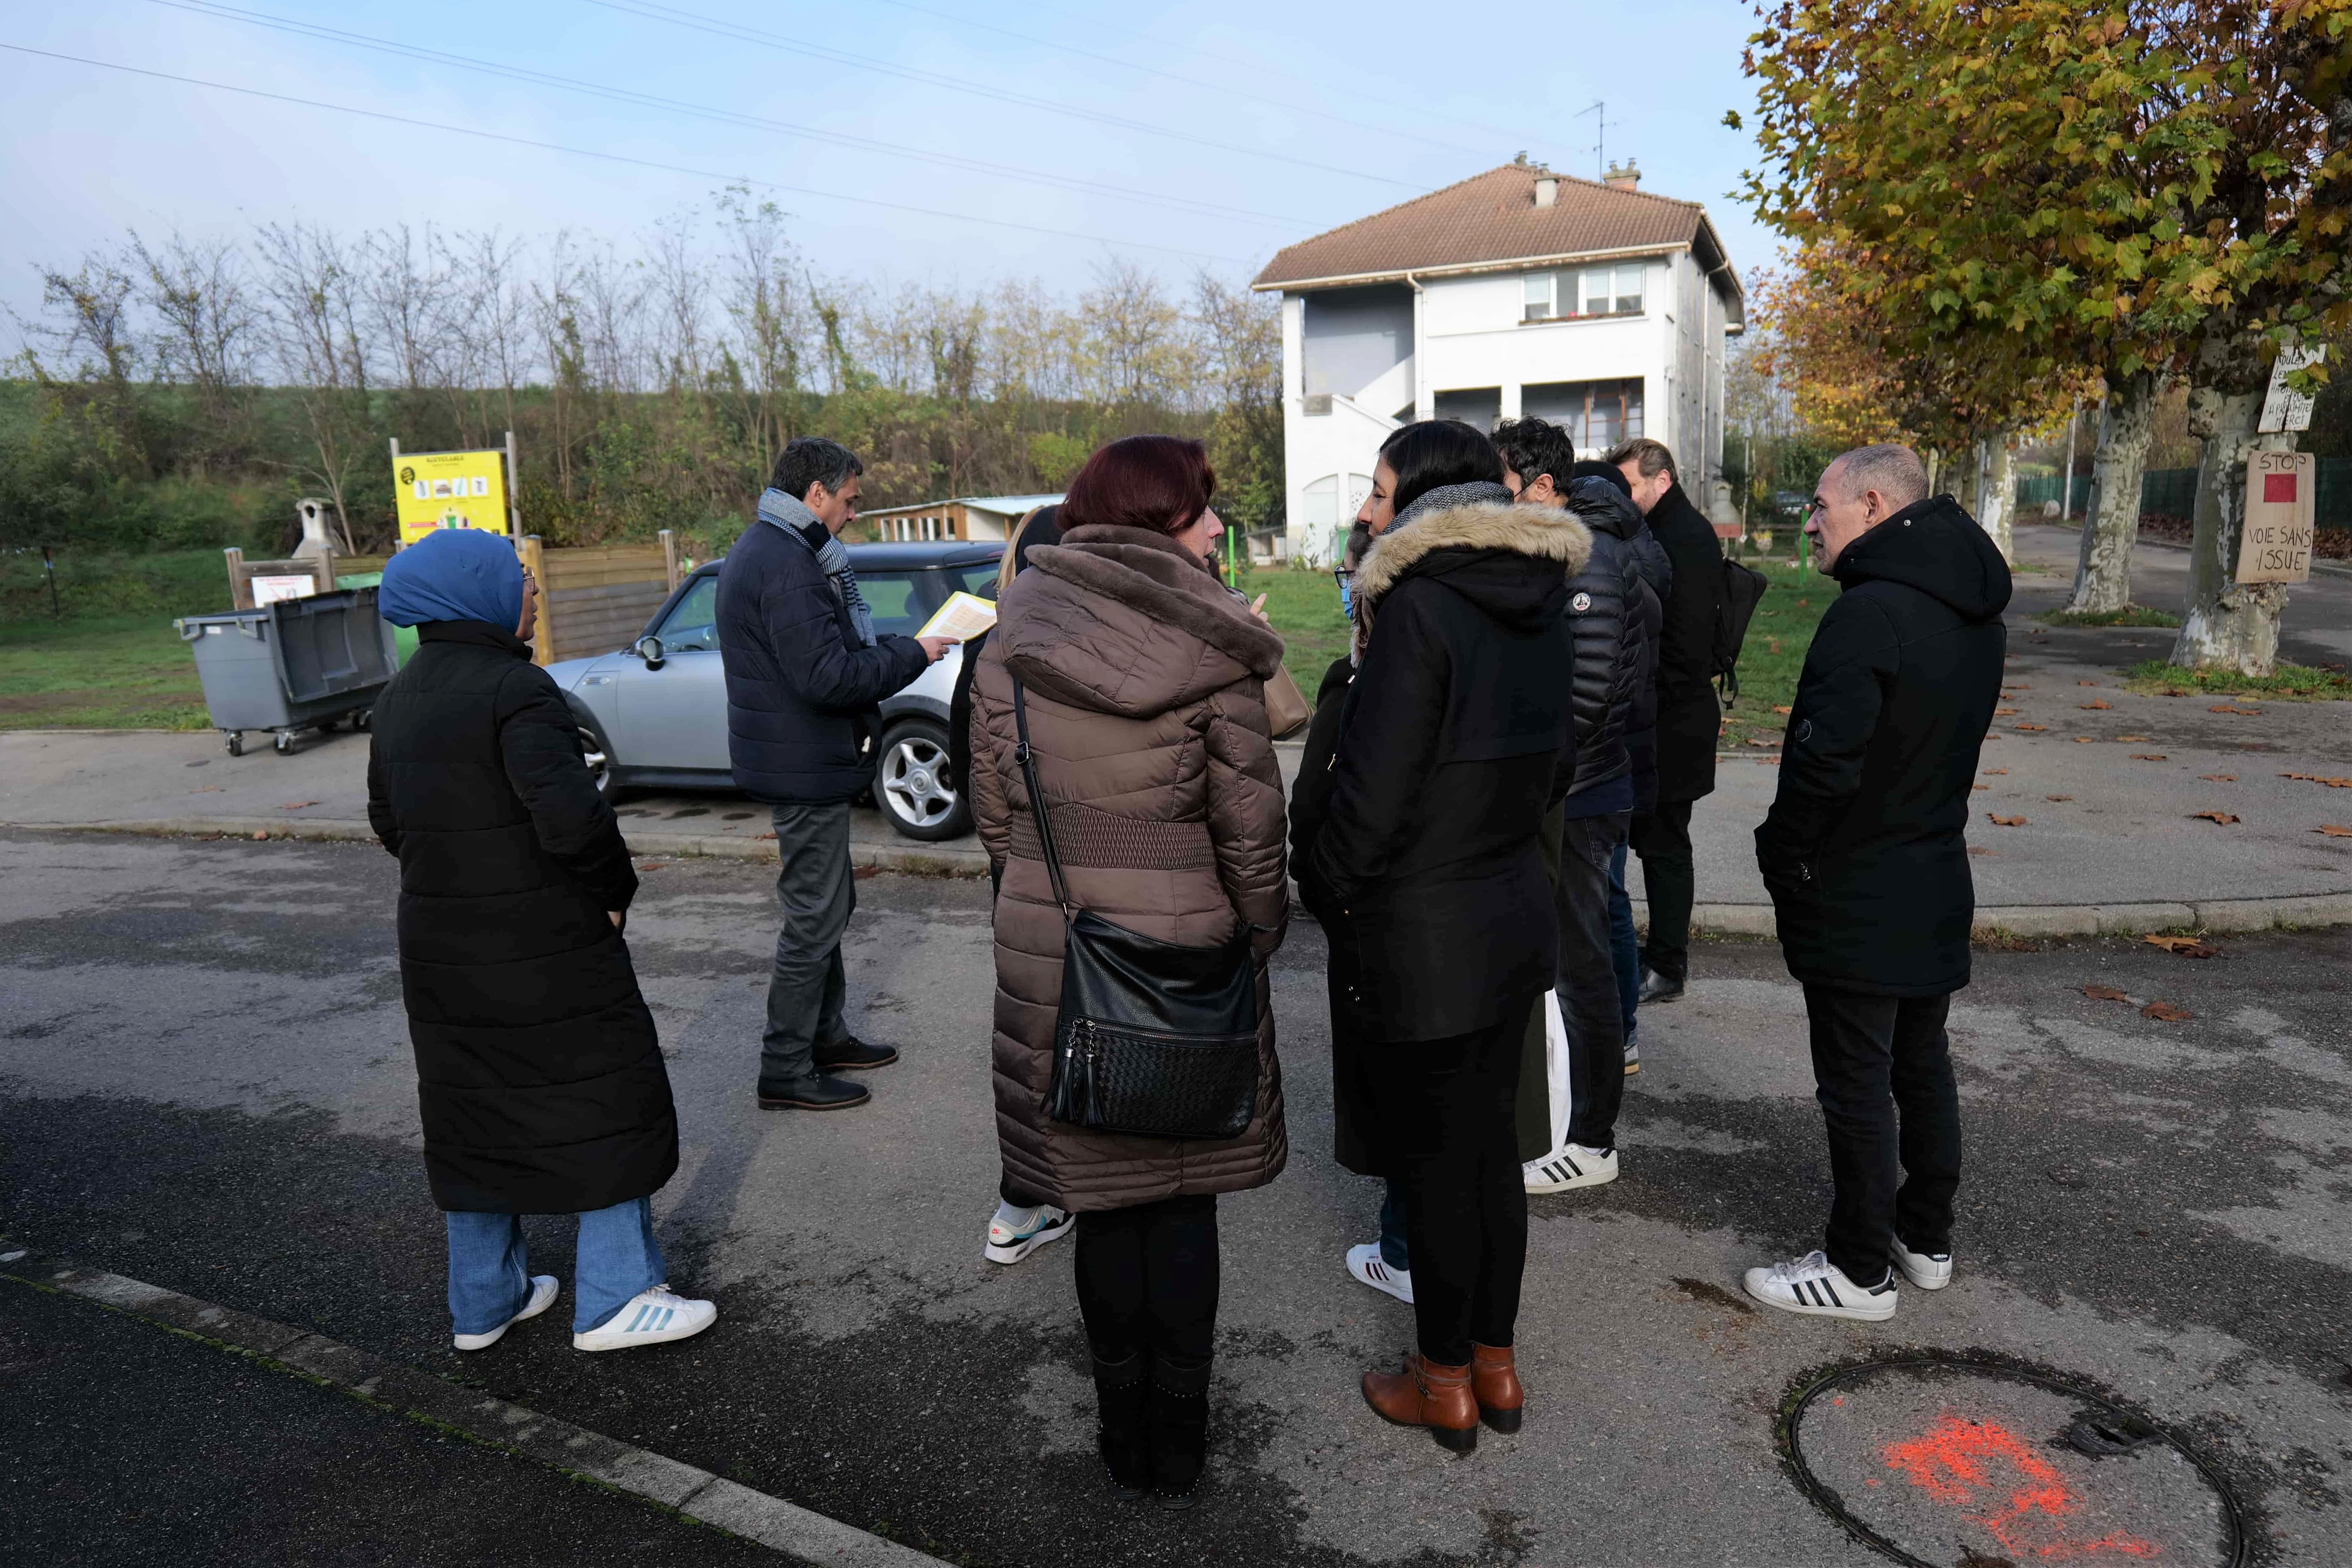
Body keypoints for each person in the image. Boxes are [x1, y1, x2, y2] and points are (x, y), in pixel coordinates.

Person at [968, 435, 1290, 1506]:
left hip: (1056, 943)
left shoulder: (1009, 639)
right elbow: (1253, 835)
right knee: (1184, 1201)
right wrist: (1255, 935)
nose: (1213, 532)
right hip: (1190, 943)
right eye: (1203, 513)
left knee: (1103, 1205)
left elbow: (996, 820)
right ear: (1162, 522)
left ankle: (1123, 1436)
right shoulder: (1219, 646)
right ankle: (1182, 1441)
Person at [1303, 419, 1584, 1453]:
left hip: (1425, 932)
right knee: (1486, 1163)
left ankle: (1445, 1381)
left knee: (1436, 1168)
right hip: (1510, 913)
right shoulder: (1540, 598)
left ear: (1419, 502)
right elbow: (1561, 765)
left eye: (1377, 493)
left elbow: (1366, 804)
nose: (1366, 513)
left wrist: (1330, 896)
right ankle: (1494, 1372)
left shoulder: (1420, 609)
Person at [367, 529, 716, 1355]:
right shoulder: (516, 690)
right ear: (476, 594)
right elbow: (573, 819)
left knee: (473, 1115)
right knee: (603, 1098)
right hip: (547, 945)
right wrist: (611, 897)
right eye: (520, 579)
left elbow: (390, 824)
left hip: (442, 950)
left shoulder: (398, 696)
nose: (534, 592)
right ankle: (617, 1298)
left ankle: (485, 1303)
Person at [1744, 444, 2009, 1320]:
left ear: (1871, 503)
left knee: (1858, 1080)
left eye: (1820, 507)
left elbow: (1823, 770)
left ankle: (1859, 1269)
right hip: (1933, 870)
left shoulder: (1871, 615)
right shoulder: (1971, 608)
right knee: (1918, 1061)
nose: (1809, 523)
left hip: (1860, 883)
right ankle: (1923, 1236)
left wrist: (1783, 857)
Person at [717, 437, 952, 1112]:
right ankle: (786, 1066)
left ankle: (826, 1036)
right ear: (815, 494)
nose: (853, 512)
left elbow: (821, 658)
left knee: (828, 908)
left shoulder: (776, 548)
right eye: (849, 500)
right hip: (801, 763)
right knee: (815, 917)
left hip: (801, 757)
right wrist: (916, 652)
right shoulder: (786, 563)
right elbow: (827, 676)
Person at [1491, 417, 1647, 1196]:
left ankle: (1590, 1140)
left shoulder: (1588, 558)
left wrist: (1528, 785)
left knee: (1583, 969)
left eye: (1503, 490)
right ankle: (1561, 1120)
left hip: (1580, 798)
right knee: (1562, 963)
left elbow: (1583, 700)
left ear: (1542, 489)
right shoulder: (1565, 550)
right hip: (1573, 790)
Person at [945, 501, 1077, 1266]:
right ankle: (1069, 1191)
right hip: (1095, 869)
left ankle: (1019, 1203)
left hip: (1019, 877)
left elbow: (973, 782)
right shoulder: (1104, 644)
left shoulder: (989, 647)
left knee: (1032, 1041)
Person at [1608, 438, 1726, 1008]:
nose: (1623, 498)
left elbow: (1682, 650)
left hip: (1672, 722)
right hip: (1663, 717)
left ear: (1661, 481)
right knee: (1653, 843)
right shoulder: (1663, 531)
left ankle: (1667, 964)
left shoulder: (1683, 537)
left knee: (1664, 846)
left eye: (1629, 486)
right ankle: (1654, 957)